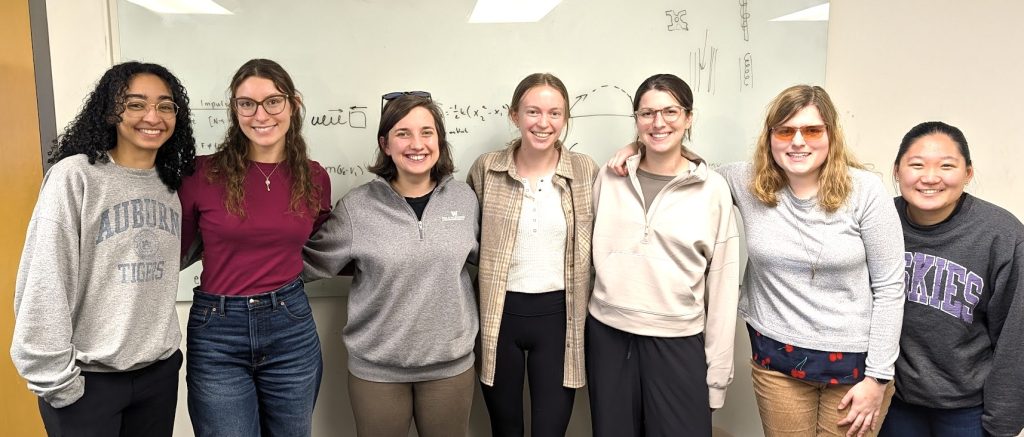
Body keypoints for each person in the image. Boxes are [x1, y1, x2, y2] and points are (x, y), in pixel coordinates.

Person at [610, 84, 906, 437]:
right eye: (785, 130)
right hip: (778, 364)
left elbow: (890, 288)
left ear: (831, 134)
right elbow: (681, 163)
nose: (798, 142)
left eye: (812, 130)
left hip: (854, 370)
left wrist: (878, 378)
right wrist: (638, 146)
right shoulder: (746, 180)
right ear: (770, 137)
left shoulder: (864, 190)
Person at [11, 61, 195, 436]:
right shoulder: (75, 176)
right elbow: (46, 277)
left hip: (156, 376)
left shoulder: (170, 184)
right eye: (135, 103)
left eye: (165, 105)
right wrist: (57, 382)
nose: (152, 116)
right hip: (86, 381)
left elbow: (167, 259)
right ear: (111, 111)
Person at [303, 93, 480, 437]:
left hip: (450, 367)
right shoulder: (357, 207)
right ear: (385, 144)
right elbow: (307, 263)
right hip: (377, 371)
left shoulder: (465, 198)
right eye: (403, 133)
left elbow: (489, 258)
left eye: (427, 132)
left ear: (440, 141)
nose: (417, 144)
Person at [178, 58, 331, 437]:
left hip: (290, 325)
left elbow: (317, 241)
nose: (260, 115)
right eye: (247, 103)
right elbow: (175, 250)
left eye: (272, 101)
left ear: (293, 104)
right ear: (235, 109)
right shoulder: (201, 174)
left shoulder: (313, 177)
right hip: (218, 330)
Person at [587, 73, 740, 437]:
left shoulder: (712, 189)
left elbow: (722, 286)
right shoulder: (609, 177)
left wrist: (717, 376)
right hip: (609, 336)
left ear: (688, 117)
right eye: (647, 113)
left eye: (670, 111)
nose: (658, 123)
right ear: (636, 120)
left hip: (678, 340)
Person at [466, 73, 598, 437]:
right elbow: (466, 240)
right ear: (514, 115)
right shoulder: (486, 169)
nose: (544, 123)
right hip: (499, 315)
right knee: (505, 428)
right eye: (533, 112)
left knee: (550, 431)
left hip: (560, 318)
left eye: (555, 113)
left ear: (565, 117)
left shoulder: (585, 170)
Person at [878, 121, 1024, 437]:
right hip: (895, 401)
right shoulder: (878, 224)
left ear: (968, 173)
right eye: (916, 165)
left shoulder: (1002, 235)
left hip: (970, 409)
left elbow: (1016, 336)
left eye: (946, 166)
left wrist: (1004, 420)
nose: (930, 178)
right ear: (897, 170)